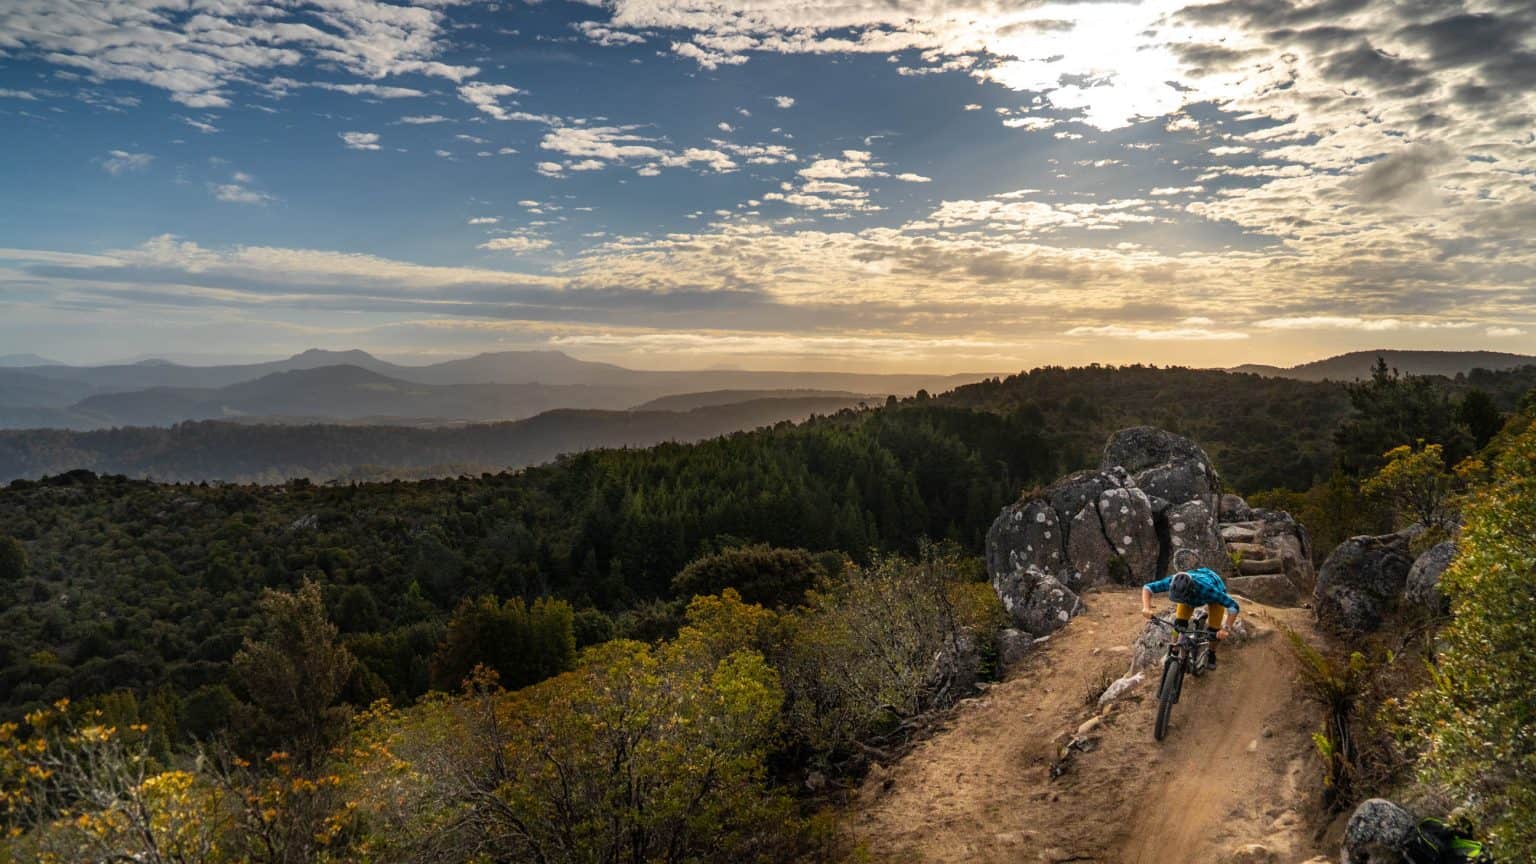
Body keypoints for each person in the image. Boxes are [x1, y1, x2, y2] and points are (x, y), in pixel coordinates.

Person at [1140, 550, 1241, 667]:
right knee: (1178, 625)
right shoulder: (1173, 581)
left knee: (1213, 631)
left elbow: (1233, 606)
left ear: (1191, 591)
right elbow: (1147, 588)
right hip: (1191, 593)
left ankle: (1211, 653)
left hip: (1213, 591)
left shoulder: (1209, 590)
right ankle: (1174, 650)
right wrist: (1146, 608)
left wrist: (1225, 629)